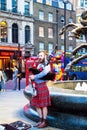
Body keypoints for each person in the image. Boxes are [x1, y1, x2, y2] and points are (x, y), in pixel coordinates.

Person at [29, 50, 51, 128]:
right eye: (39, 56)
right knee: (37, 105)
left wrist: (34, 77)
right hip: (37, 87)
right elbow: (37, 74)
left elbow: (44, 73)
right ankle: (40, 120)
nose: (40, 57)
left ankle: (44, 121)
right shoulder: (39, 65)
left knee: (44, 105)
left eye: (41, 55)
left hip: (42, 86)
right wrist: (32, 79)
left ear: (44, 56)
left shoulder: (47, 64)